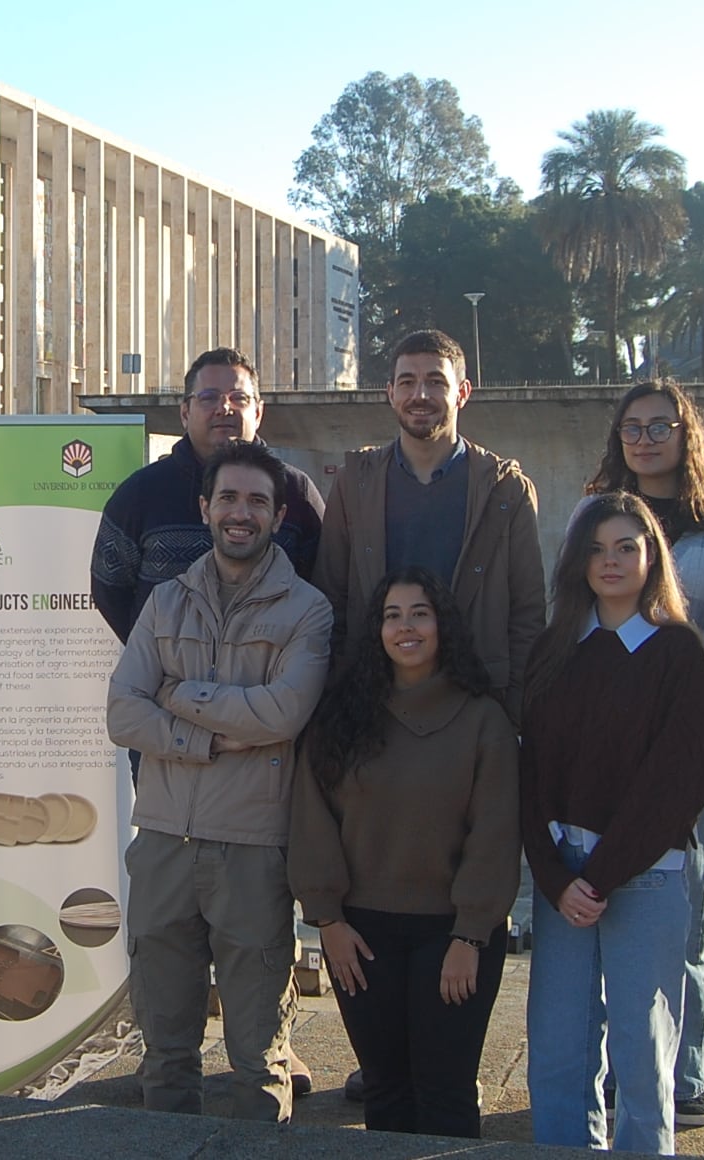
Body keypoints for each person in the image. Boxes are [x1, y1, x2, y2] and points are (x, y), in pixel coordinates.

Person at [88, 344, 328, 1099]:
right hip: (166, 813)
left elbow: (287, 706)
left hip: (257, 821)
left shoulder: (305, 563)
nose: (241, 513)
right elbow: (111, 608)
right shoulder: (146, 526)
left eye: (240, 396)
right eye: (209, 395)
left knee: (257, 1056)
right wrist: (204, 732)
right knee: (166, 1047)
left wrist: (180, 696)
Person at [576, 379, 704, 1130]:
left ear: (688, 436)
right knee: (608, 904)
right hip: (606, 741)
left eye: (661, 426)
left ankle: (686, 1074)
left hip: (686, 739)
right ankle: (621, 1071)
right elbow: (579, 621)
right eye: (632, 428)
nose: (645, 440)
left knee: (681, 910)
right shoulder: (596, 519)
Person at [288, 566, 518, 1137]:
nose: (405, 627)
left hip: (452, 935)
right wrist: (328, 920)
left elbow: (495, 833)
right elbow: (312, 820)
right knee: (385, 1090)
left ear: (443, 625)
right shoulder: (342, 715)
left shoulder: (482, 719)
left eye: (420, 613)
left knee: (446, 1091)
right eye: (392, 616)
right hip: (361, 936)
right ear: (377, 632)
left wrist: (471, 934)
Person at [520, 492, 704, 1155]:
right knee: (558, 1048)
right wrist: (557, 879)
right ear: (577, 560)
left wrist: (599, 877)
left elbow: (677, 781)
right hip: (563, 881)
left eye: (627, 546)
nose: (611, 560)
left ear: (651, 556)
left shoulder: (677, 651)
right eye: (597, 548)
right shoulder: (554, 649)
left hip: (644, 877)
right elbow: (532, 777)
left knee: (641, 1047)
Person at [316, 327, 545, 727]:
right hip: (374, 703)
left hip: (473, 702)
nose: (420, 395)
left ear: (463, 392)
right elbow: (330, 598)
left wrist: (517, 711)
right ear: (390, 393)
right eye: (407, 382)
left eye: (436, 381)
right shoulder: (355, 483)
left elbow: (527, 612)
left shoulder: (505, 489)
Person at [91, 346, 327, 641]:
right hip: (169, 680)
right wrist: (156, 653)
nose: (223, 408)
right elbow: (109, 587)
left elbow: (324, 585)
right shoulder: (139, 494)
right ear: (185, 412)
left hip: (273, 677)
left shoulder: (296, 492)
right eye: (209, 397)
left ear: (258, 411)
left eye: (238, 398)